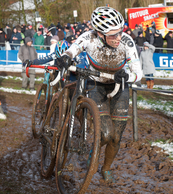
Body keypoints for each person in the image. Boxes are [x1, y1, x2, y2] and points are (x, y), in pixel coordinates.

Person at [55, 6, 142, 183]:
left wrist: (128, 76)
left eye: (120, 32)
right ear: (100, 34)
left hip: (120, 85)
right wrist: (65, 57)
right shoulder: (89, 38)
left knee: (116, 137)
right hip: (96, 85)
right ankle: (94, 152)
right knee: (106, 133)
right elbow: (73, 49)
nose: (118, 37)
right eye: (113, 35)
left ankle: (106, 168)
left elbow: (138, 72)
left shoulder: (126, 42)